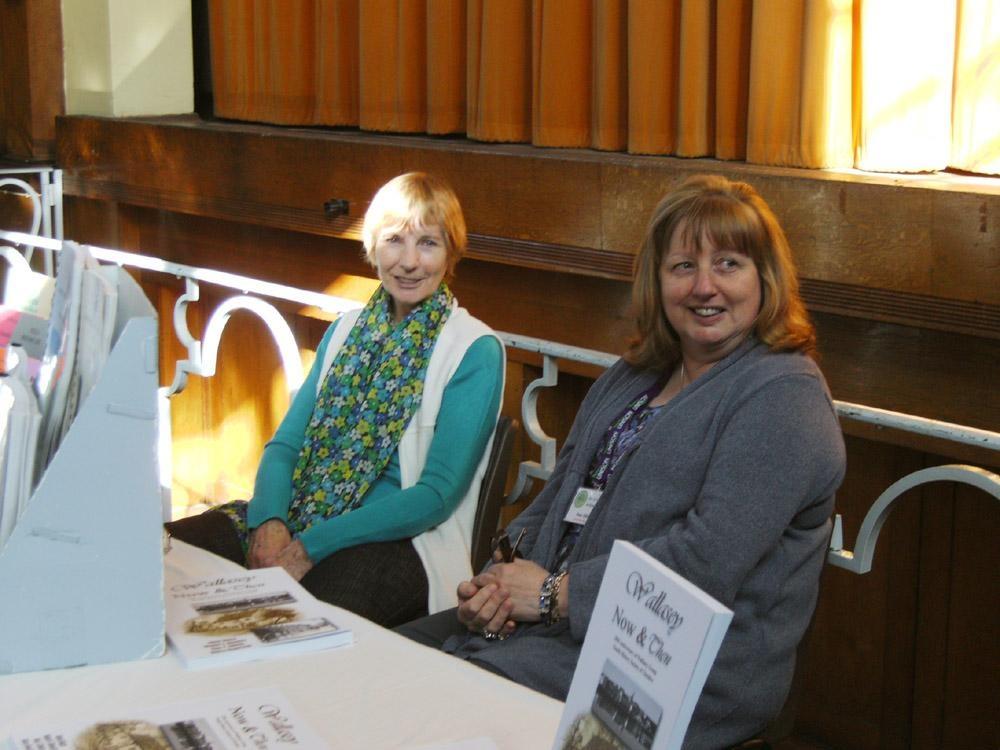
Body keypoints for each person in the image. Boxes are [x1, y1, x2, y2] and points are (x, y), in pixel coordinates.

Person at [397, 174, 846, 748]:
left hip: (668, 671)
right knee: (374, 666)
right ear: (657, 280)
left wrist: (552, 595)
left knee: (432, 714)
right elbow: (559, 496)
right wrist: (497, 585)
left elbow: (705, 562)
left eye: (728, 264)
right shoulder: (635, 375)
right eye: (682, 266)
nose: (704, 286)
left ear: (765, 278)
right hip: (555, 632)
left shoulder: (783, 395)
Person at [167, 172, 505, 627]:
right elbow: (285, 446)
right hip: (302, 514)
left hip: (402, 543)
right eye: (394, 240)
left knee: (284, 624)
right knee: (160, 560)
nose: (409, 262)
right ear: (373, 247)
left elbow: (435, 496)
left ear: (451, 252)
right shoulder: (346, 330)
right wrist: (269, 522)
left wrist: (311, 545)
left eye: (428, 243)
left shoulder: (474, 349)